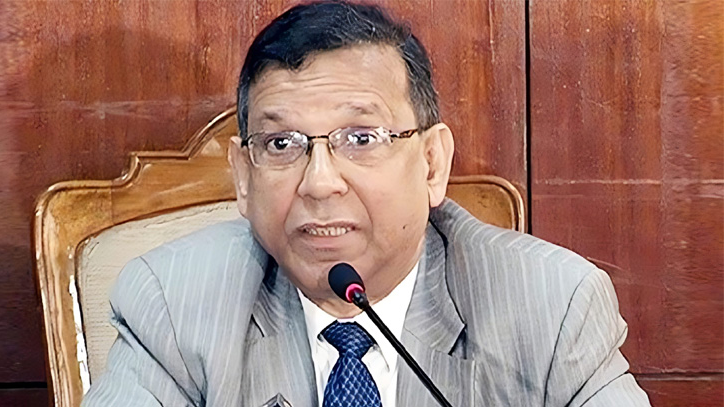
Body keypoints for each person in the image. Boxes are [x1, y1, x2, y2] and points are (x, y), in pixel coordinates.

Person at [83, 2, 651, 406]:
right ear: (244, 177)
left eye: (361, 138)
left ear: (432, 165)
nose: (319, 183)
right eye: (281, 145)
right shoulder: (175, 305)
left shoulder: (551, 306)